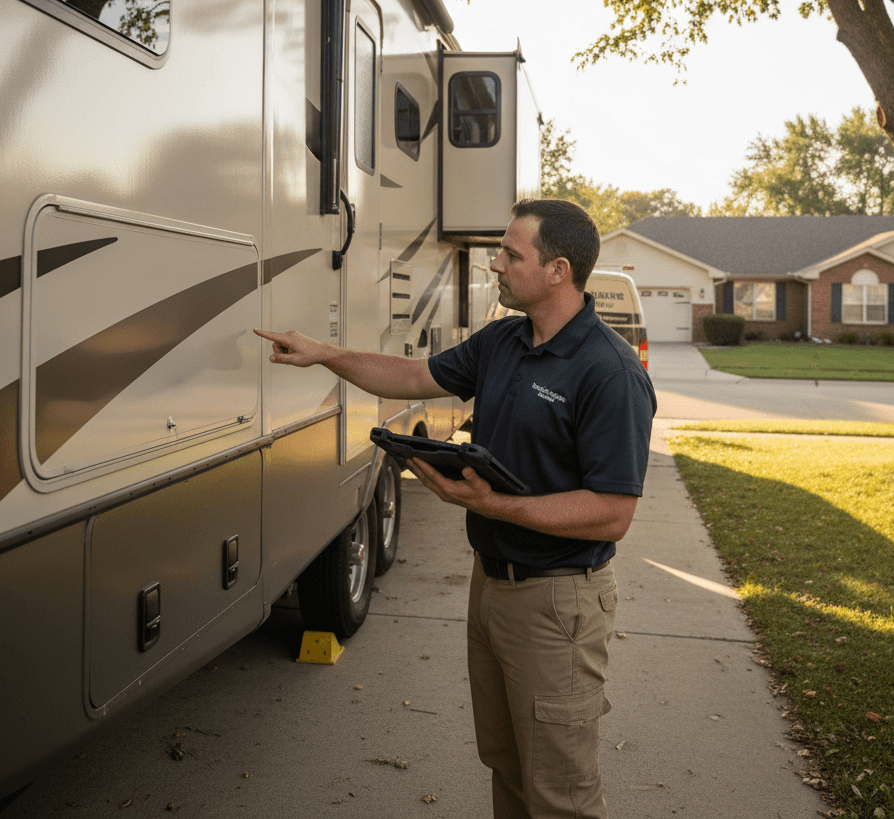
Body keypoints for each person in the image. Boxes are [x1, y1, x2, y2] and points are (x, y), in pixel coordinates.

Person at [255, 198, 656, 819]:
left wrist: (493, 504)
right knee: (509, 766)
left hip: (558, 604)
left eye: (510, 254)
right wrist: (324, 354)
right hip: (492, 587)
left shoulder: (609, 371)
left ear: (557, 271)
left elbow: (611, 513)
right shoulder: (505, 339)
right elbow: (414, 376)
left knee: (562, 794)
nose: (494, 264)